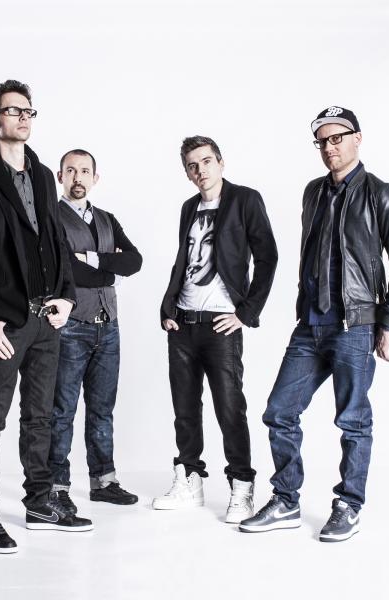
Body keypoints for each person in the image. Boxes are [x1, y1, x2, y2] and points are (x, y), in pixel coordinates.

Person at [239, 106, 389, 542]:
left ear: (358, 138)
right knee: (279, 412)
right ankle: (286, 500)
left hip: (355, 325)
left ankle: (349, 505)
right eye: (322, 141)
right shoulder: (313, 192)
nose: (329, 147)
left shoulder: (378, 193)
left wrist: (388, 320)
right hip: (310, 325)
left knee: (353, 421)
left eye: (337, 137)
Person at [0, 80, 92, 555]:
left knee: (40, 418)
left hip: (47, 319)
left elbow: (57, 242)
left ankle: (39, 501)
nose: (24, 118)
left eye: (29, 111)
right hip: (4, 324)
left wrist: (67, 297)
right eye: (14, 111)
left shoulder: (45, 176)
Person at [153, 136, 278, 523]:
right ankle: (189, 479)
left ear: (221, 163)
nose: (200, 170)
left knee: (229, 408)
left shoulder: (245, 200)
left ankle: (242, 485)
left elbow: (268, 257)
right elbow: (184, 261)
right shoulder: (188, 207)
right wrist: (168, 307)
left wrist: (246, 312)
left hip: (222, 325)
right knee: (184, 409)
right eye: (192, 165)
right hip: (183, 322)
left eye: (206, 161)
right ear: (186, 172)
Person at [49, 149, 142, 514]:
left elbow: (134, 261)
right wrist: (110, 270)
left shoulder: (107, 218)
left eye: (85, 171)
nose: (78, 177)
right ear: (60, 176)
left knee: (102, 409)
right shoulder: (51, 217)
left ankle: (104, 482)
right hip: (70, 327)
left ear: (95, 178)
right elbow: (64, 270)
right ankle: (56, 486)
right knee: (62, 411)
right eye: (71, 170)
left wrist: (92, 261)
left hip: (109, 327)